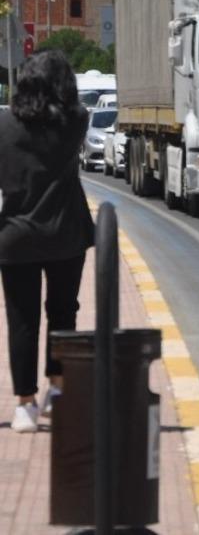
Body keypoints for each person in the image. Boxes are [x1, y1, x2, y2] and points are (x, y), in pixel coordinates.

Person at [0, 51, 94, 432]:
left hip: (15, 235)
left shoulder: (3, 125)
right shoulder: (76, 122)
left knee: (21, 320)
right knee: (62, 311)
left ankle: (25, 405)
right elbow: (76, 108)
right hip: (65, 232)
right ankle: (57, 390)